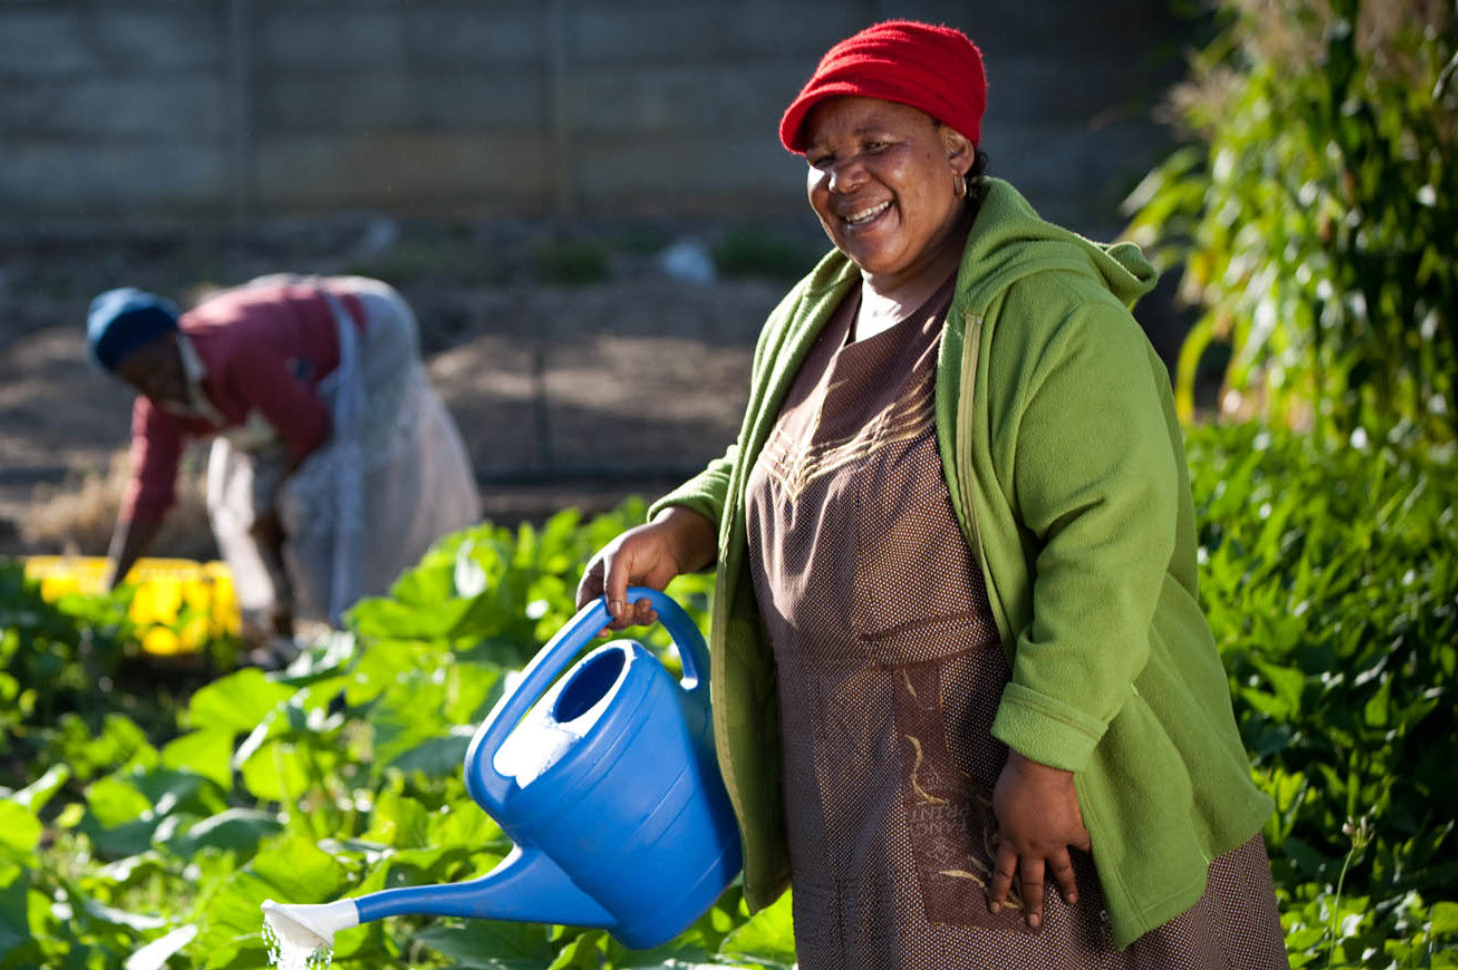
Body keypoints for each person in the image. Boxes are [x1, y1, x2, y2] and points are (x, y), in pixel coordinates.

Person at [575, 21, 1285, 967]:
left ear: (957, 151)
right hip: (852, 795)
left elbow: (1109, 543)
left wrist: (1046, 756)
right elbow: (775, 457)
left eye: (877, 147)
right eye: (824, 160)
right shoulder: (814, 310)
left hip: (1014, 793)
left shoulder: (1045, 314)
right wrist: (686, 525)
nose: (845, 180)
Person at [87, 274, 479, 644]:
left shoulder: (236, 351)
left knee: (323, 494)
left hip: (369, 334)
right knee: (245, 507)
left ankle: (356, 626)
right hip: (294, 391)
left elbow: (312, 429)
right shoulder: (159, 408)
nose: (155, 384)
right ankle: (283, 629)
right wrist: (111, 589)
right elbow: (149, 496)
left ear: (174, 337)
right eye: (138, 382)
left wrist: (274, 507)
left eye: (156, 367)